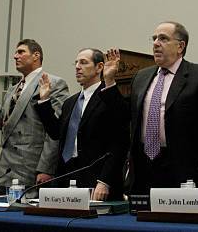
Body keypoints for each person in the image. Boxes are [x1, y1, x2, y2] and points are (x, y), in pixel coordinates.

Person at [115, 21, 198, 193]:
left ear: (180, 46)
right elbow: (125, 115)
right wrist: (108, 83)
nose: (156, 43)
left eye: (163, 38)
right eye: (154, 39)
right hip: (144, 169)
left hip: (184, 170)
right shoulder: (141, 77)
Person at [35, 48, 129, 200]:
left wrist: (105, 181)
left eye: (84, 63)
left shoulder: (109, 97)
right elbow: (56, 133)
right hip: (67, 175)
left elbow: (120, 142)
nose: (78, 66)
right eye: (76, 63)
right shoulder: (70, 102)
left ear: (99, 67)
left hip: (96, 179)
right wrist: (45, 101)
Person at [0, 39, 70, 194]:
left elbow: (55, 131)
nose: (15, 56)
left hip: (31, 167)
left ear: (36, 56)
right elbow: (5, 122)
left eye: (21, 52)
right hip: (6, 167)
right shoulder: (13, 89)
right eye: (15, 53)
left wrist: (46, 168)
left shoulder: (54, 83)